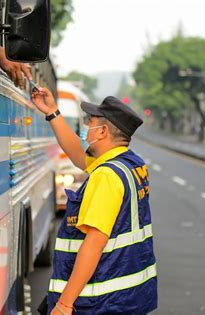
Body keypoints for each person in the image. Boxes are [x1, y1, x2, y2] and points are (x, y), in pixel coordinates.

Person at [32, 87, 158, 315]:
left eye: (91, 122)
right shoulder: (130, 163)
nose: (87, 126)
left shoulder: (106, 176)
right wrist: (52, 113)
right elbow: (79, 157)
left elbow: (94, 243)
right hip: (127, 296)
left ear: (103, 132)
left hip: (100, 301)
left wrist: (65, 304)